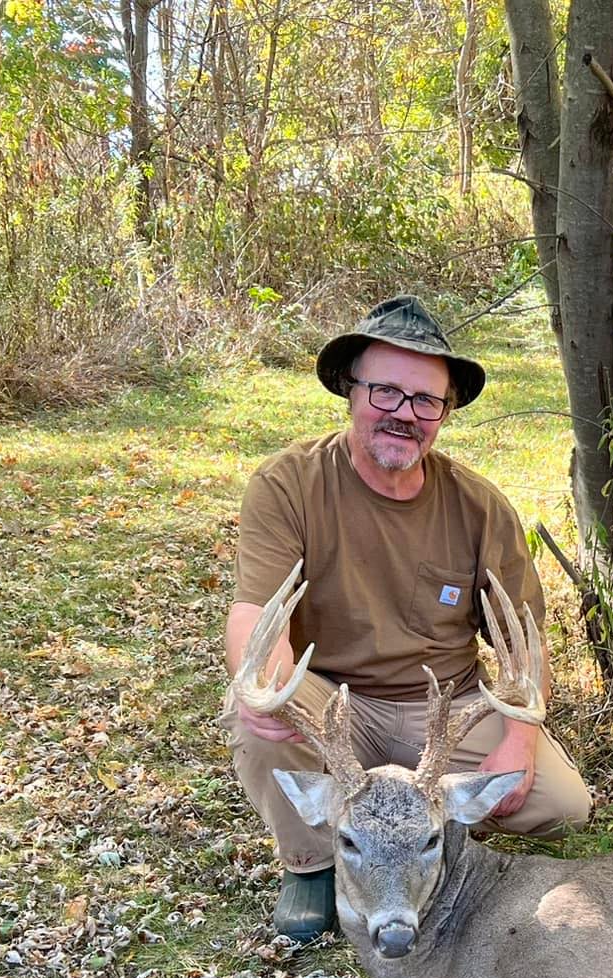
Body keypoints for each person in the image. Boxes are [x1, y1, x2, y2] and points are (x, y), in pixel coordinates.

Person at [224, 295, 594, 940]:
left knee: (562, 806)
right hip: (337, 707)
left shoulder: (479, 507)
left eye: (426, 401)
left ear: (445, 412)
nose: (404, 415)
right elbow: (258, 615)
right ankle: (310, 864)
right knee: (257, 708)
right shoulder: (289, 483)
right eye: (386, 392)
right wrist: (268, 693)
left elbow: (523, 652)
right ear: (350, 389)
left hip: (446, 713)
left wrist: (517, 741)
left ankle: (410, 839)